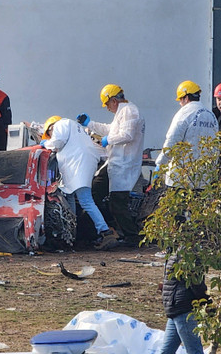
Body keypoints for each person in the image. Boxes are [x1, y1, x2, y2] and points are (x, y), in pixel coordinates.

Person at [77, 84, 145, 245]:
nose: (107, 108)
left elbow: (126, 135)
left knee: (117, 203)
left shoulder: (129, 111)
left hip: (124, 164)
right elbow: (111, 129)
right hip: (115, 163)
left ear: (113, 100)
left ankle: (132, 237)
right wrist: (90, 123)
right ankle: (88, 233)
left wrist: (107, 140)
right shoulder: (123, 112)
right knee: (94, 192)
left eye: (107, 104)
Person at [40, 115, 119, 250]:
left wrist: (45, 144)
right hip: (83, 164)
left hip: (78, 166)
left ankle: (105, 232)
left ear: (50, 128)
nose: (51, 136)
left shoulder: (60, 125)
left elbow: (57, 142)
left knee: (85, 200)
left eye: (49, 134)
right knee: (70, 197)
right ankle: (71, 234)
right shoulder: (76, 129)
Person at [155, 80, 218, 188]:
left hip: (180, 180)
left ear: (186, 98)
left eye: (180, 100)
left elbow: (172, 142)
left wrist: (160, 164)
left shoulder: (183, 114)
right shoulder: (210, 116)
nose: (180, 103)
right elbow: (216, 147)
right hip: (203, 180)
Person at [160, 250, 209, 354]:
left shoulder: (174, 253)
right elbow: (196, 283)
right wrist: (208, 302)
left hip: (173, 307)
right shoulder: (189, 255)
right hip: (183, 309)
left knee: (166, 351)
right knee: (194, 350)